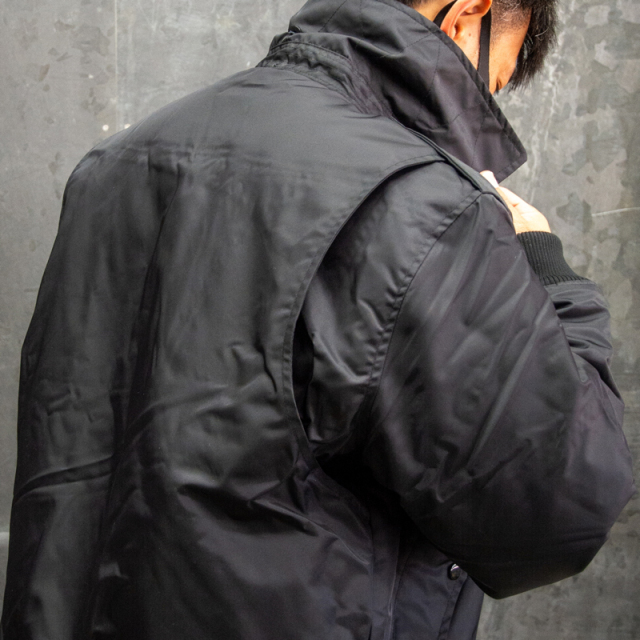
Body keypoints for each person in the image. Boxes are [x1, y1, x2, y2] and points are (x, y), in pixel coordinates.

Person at [2, 0, 635, 637]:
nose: (486, 107)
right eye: (493, 82)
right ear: (467, 16)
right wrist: (548, 271)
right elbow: (555, 508)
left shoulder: (112, 164)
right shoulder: (422, 205)